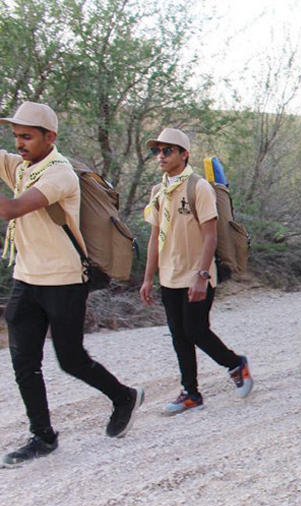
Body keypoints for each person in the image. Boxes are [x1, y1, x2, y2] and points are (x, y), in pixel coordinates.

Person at [0, 102, 142, 467]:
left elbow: (14, 209)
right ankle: (43, 437)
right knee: (23, 363)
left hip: (63, 281)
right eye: (16, 135)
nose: (19, 143)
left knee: (71, 359)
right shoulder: (21, 167)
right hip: (26, 279)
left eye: (27, 136)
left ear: (51, 137)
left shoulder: (59, 173)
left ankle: (124, 396)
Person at [139, 128, 253, 415]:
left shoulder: (197, 187)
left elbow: (211, 235)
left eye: (167, 151)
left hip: (196, 274)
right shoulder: (159, 191)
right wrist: (147, 278)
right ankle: (190, 393)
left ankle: (235, 364)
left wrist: (202, 275)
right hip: (169, 276)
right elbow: (155, 237)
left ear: (183, 154)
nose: (161, 156)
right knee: (179, 334)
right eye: (157, 151)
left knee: (196, 330)